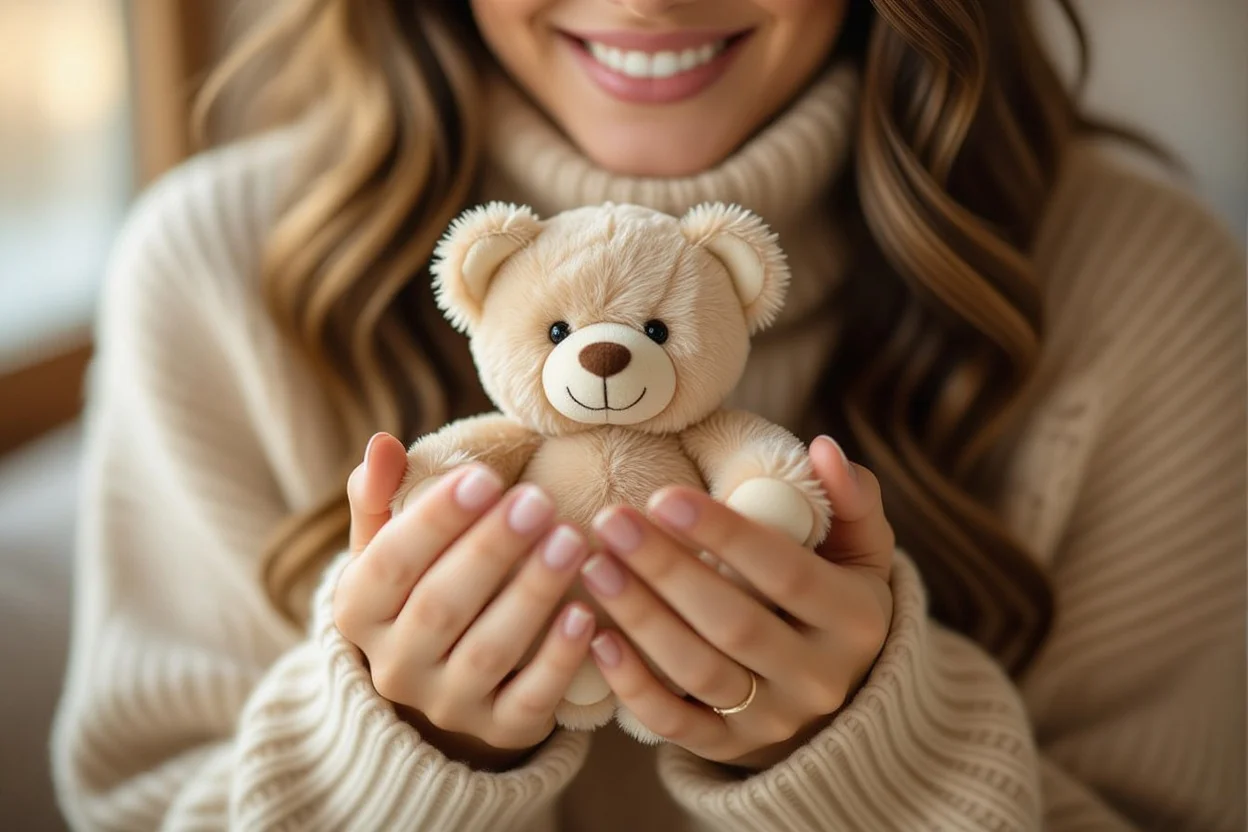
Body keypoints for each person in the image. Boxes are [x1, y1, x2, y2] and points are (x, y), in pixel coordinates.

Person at [51, 1, 1245, 830]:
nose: (647, 2)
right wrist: (397, 763)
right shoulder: (212, 268)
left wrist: (872, 768)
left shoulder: (1142, 280)